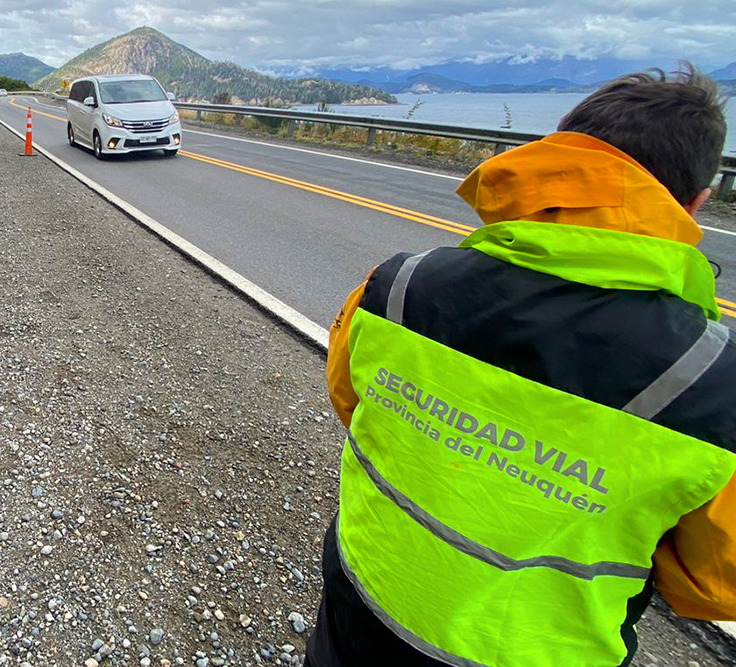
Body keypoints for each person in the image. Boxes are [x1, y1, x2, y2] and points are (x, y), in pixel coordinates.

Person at [308, 65, 736, 667]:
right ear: (696, 202)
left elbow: (350, 400)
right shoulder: (712, 382)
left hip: (361, 600)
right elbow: (713, 586)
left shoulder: (400, 285)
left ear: (557, 163)